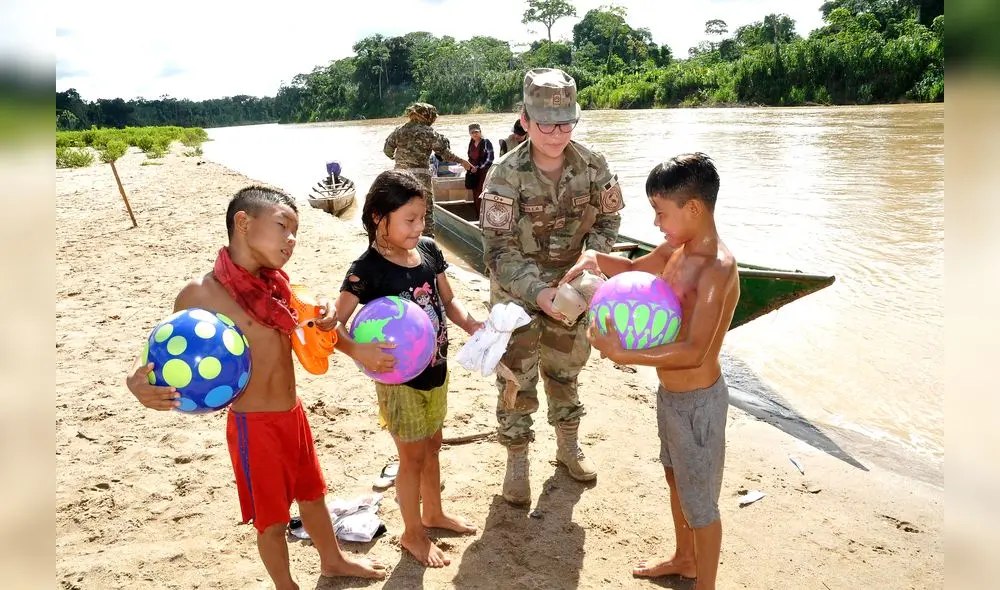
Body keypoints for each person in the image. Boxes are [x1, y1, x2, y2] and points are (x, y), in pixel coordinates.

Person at [125, 186, 386, 589]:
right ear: (243, 223)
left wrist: (341, 332)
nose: (291, 239)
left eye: (296, 231)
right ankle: (286, 585)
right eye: (283, 226)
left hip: (293, 414)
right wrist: (138, 384)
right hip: (254, 426)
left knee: (313, 494)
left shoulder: (277, 287)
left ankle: (332, 560)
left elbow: (313, 328)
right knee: (272, 520)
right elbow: (159, 355)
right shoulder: (200, 294)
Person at [562, 153, 739, 590]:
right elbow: (633, 270)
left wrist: (624, 355)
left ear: (693, 207)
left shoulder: (715, 268)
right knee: (675, 476)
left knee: (702, 505)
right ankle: (684, 558)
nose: (656, 223)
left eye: (661, 212)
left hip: (699, 404)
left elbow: (696, 351)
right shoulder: (676, 250)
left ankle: (706, 584)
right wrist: (595, 258)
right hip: (670, 395)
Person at [480, 68, 624, 506]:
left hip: (572, 290)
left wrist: (590, 259)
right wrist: (538, 293)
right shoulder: (504, 174)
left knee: (566, 372)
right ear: (525, 119)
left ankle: (568, 447)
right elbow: (497, 249)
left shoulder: (594, 165)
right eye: (546, 124)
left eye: (566, 123)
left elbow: (609, 221)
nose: (558, 133)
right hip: (517, 296)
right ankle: (517, 461)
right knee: (515, 380)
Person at [333, 170, 483, 567]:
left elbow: (448, 301)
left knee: (432, 445)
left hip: (436, 369)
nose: (419, 227)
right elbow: (332, 325)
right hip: (399, 381)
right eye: (409, 219)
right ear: (378, 218)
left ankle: (433, 513)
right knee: (411, 457)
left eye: (423, 218)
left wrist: (472, 324)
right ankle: (412, 533)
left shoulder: (429, 250)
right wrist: (358, 350)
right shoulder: (367, 269)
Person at [383, 103, 472, 237]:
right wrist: (462, 161)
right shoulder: (429, 132)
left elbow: (387, 150)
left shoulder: (399, 130)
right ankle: (427, 241)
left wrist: (397, 158)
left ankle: (398, 236)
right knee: (426, 210)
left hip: (400, 176)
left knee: (399, 207)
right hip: (421, 177)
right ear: (427, 116)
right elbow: (445, 154)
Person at [466, 123, 494, 211]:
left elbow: (490, 159)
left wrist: (478, 167)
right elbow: (469, 157)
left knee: (482, 193)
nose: (474, 134)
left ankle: (483, 214)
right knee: (475, 193)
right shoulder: (471, 143)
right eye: (472, 132)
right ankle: (478, 213)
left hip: (484, 172)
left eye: (476, 132)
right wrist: (467, 165)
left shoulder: (486, 142)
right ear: (470, 134)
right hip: (474, 172)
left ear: (480, 132)